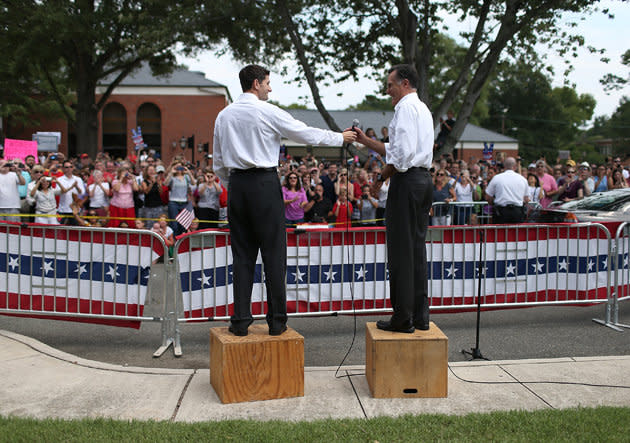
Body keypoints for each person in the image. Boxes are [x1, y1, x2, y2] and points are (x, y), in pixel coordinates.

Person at [212, 64, 356, 336]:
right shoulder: (268, 111)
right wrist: (340, 137)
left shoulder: (224, 115)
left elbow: (218, 162)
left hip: (238, 186)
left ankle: (240, 321)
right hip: (265, 184)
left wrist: (236, 184)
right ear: (255, 83)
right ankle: (277, 322)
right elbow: (305, 133)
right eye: (267, 82)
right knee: (273, 255)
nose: (269, 87)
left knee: (242, 256)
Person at [354, 64, 433, 333]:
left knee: (400, 252)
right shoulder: (422, 108)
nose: (387, 89)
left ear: (406, 83)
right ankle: (420, 315)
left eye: (391, 84)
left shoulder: (404, 108)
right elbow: (396, 150)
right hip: (423, 181)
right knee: (416, 250)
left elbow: (401, 157)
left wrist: (379, 179)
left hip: (408, 181)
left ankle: (402, 317)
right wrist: (366, 141)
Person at [485, 157, 529, 223]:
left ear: (504, 166)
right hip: (517, 212)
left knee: (500, 233)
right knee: (516, 232)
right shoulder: (523, 180)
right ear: (515, 167)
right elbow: (526, 199)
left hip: (501, 212)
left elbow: (488, 197)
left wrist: (493, 202)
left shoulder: (497, 178)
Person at [56, 161, 86, 225]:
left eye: (71, 167)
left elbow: (82, 193)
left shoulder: (78, 179)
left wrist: (77, 186)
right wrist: (71, 187)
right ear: (63, 169)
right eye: (67, 167)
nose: (69, 169)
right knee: (61, 231)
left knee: (75, 231)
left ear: (73, 168)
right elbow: (57, 192)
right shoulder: (59, 179)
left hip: (75, 210)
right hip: (63, 209)